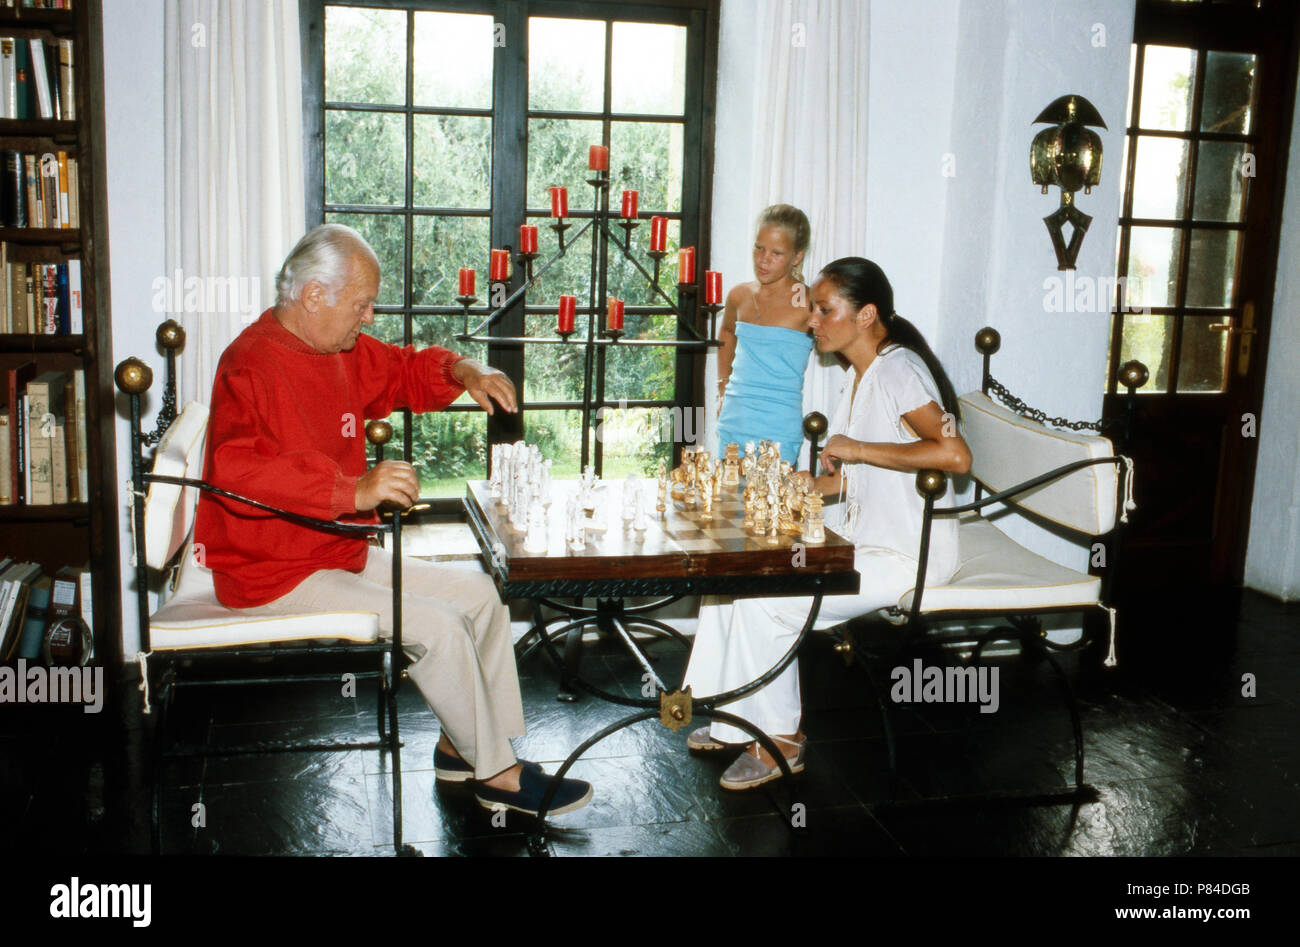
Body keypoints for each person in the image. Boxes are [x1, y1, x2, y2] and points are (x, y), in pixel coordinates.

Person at [193, 223, 592, 817]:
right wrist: (350, 488)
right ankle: (500, 776)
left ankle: (468, 748)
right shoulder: (249, 362)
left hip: (334, 552)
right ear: (313, 296)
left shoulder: (339, 348)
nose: (370, 317)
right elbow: (234, 472)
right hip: (272, 572)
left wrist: (465, 372)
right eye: (361, 304)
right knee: (435, 625)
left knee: (482, 595)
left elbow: (404, 370)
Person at [683, 257, 972, 790]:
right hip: (865, 541)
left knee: (765, 600)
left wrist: (857, 448)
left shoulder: (898, 370)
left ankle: (782, 742)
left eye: (823, 309)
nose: (812, 319)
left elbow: (954, 455)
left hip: (910, 555)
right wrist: (793, 486)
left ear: (866, 315)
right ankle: (731, 719)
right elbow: (848, 479)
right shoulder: (860, 376)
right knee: (734, 574)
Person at [715, 204, 814, 465]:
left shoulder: (809, 301)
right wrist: (723, 387)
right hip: (734, 420)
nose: (763, 259)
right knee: (726, 504)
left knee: (773, 505)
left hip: (779, 426)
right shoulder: (739, 295)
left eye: (777, 253)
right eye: (759, 248)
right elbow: (726, 333)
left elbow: (846, 342)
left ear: (796, 257)